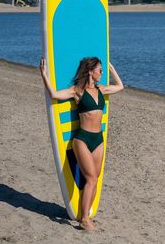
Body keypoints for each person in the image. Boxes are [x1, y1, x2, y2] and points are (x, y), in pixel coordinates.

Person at [40, 57, 124, 230]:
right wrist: (44, 75)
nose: (102, 73)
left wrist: (112, 68)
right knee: (91, 178)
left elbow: (120, 86)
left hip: (98, 139)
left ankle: (84, 214)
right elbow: (55, 94)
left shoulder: (101, 89)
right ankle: (84, 219)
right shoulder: (77, 91)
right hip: (83, 139)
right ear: (90, 71)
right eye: (100, 70)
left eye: (102, 70)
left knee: (95, 177)